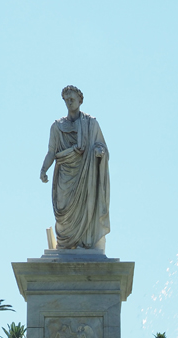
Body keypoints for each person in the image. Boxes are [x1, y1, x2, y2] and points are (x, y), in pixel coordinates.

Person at [40, 85, 110, 251]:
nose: (70, 102)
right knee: (63, 214)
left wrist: (99, 151)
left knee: (87, 207)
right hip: (65, 175)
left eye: (72, 99)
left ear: (80, 100)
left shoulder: (91, 124)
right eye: (67, 100)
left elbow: (102, 146)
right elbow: (51, 151)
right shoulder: (57, 127)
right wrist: (44, 169)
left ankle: (85, 243)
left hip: (86, 174)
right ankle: (66, 245)